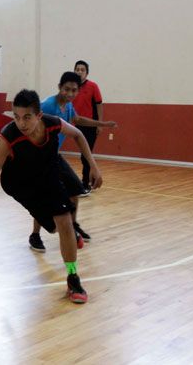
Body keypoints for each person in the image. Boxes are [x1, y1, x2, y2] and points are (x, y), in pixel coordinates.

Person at [0, 89, 104, 304]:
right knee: (56, 227)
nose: (21, 123)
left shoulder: (53, 123)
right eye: (17, 117)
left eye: (27, 117)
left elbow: (78, 134)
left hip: (47, 175)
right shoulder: (8, 136)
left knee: (65, 222)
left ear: (39, 116)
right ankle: (64, 234)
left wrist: (93, 165)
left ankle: (73, 276)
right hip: (19, 184)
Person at [29, 72, 116, 253]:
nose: (70, 94)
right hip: (38, 158)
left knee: (75, 189)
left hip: (54, 156)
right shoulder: (47, 106)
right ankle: (35, 235)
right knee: (44, 198)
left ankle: (73, 226)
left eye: (74, 90)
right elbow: (29, 128)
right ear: (59, 87)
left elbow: (77, 121)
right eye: (66, 89)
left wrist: (102, 124)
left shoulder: (67, 107)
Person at [73, 60, 104, 195]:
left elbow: (99, 104)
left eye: (82, 70)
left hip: (91, 126)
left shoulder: (93, 86)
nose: (80, 72)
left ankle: (85, 184)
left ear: (87, 72)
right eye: (77, 69)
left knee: (86, 155)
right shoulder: (72, 87)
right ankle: (91, 179)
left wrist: (100, 123)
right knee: (84, 155)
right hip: (77, 125)